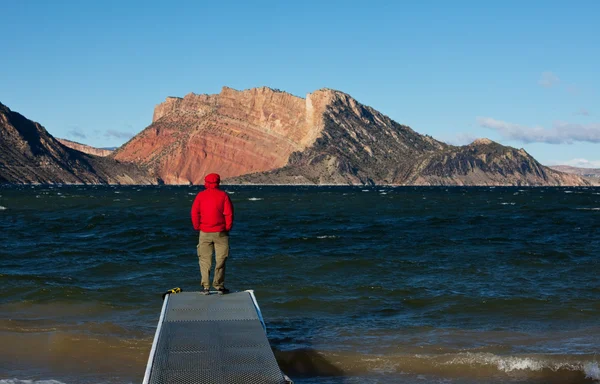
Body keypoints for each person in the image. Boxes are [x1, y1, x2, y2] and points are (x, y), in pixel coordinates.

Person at [191, 173, 234, 295]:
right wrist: (227, 227)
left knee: (204, 260)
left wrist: (197, 226)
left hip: (204, 232)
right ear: (218, 182)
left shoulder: (200, 196)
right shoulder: (223, 196)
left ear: (206, 182)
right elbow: (229, 214)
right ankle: (219, 285)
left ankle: (205, 287)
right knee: (221, 259)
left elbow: (194, 213)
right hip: (221, 233)